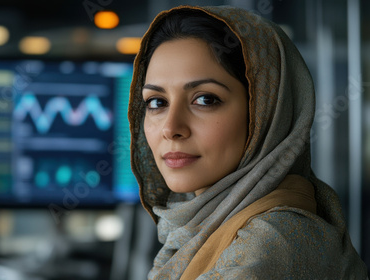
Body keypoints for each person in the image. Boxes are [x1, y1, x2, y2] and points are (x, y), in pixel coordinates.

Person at [127, 5, 368, 279]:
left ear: (264, 113)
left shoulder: (274, 240)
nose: (171, 128)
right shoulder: (199, 231)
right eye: (157, 102)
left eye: (205, 99)